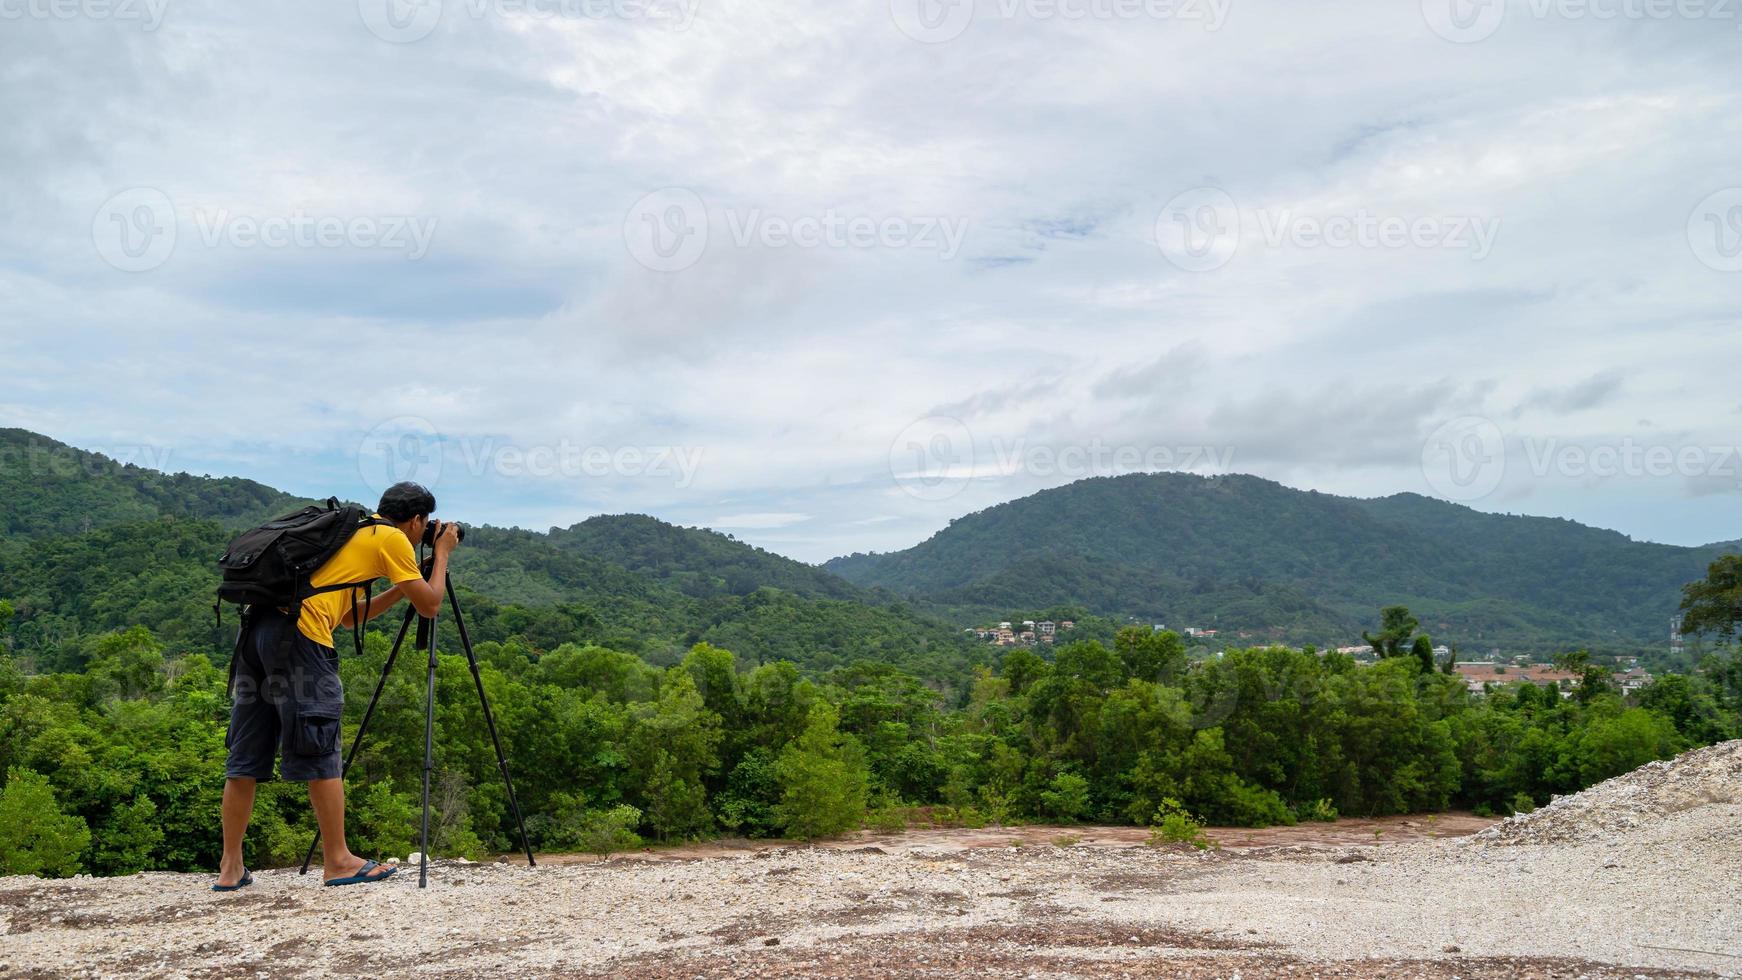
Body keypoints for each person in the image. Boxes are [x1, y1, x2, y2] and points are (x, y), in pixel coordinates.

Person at [215, 481, 461, 890]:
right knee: (320, 743)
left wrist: (401, 588)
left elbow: (349, 617)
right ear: (416, 520)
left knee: (246, 753)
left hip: (256, 635)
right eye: (424, 525)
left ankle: (230, 867)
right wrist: (442, 555)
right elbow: (431, 604)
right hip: (299, 640)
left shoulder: (349, 534)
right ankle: (340, 861)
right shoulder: (391, 538)